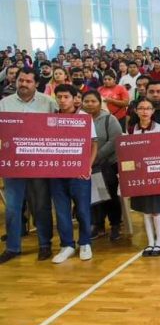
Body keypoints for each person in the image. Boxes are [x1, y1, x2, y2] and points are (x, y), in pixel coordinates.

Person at [0, 66, 59, 261]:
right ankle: (13, 247)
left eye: (28, 81)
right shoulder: (4, 104)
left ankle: (44, 244)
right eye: (21, 80)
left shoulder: (49, 104)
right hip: (13, 164)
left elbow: (59, 131)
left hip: (39, 163)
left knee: (41, 205)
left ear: (36, 84)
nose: (24, 84)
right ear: (15, 81)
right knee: (12, 207)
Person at [49, 84, 98, 263]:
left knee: (83, 209)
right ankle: (67, 245)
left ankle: (85, 242)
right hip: (56, 172)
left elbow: (94, 144)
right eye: (59, 97)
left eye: (66, 97)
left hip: (79, 171)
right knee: (62, 211)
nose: (62, 100)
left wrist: (88, 166)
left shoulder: (84, 117)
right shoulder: (52, 117)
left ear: (74, 98)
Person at [82, 90, 124, 242]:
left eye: (93, 101)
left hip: (107, 165)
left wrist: (96, 157)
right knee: (94, 197)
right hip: (87, 166)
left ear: (100, 102)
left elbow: (115, 140)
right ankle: (98, 225)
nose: (90, 104)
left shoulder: (109, 119)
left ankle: (115, 224)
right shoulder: (79, 119)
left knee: (110, 195)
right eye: (86, 101)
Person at [129, 98, 160, 257]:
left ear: (153, 111)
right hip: (139, 175)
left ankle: (159, 241)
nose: (144, 111)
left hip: (155, 174)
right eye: (141, 108)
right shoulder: (131, 129)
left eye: (148, 108)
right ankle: (150, 242)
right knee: (145, 211)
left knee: (156, 211)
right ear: (136, 111)